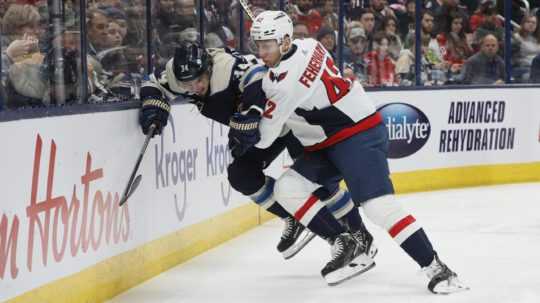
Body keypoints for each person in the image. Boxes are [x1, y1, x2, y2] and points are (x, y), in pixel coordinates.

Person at [247, 10, 469, 294]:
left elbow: (264, 139)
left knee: (379, 207)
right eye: (258, 46)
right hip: (326, 140)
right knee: (287, 188)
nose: (261, 52)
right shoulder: (310, 45)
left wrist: (242, 125)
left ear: (286, 42)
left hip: (357, 134)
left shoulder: (281, 85)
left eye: (266, 45)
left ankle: (438, 269)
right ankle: (351, 243)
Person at [136, 41, 377, 267]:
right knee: (241, 175)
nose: (195, 88)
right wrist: (154, 106)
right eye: (187, 85)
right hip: (262, 132)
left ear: (208, 67)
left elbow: (258, 77)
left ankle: (359, 233)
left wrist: (250, 113)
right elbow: (152, 83)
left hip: (292, 121)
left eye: (199, 80)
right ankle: (300, 221)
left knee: (321, 183)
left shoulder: (228, 67)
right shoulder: (180, 76)